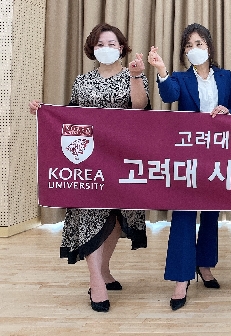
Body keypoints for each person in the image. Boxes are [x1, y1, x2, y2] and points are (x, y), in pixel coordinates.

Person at [29, 23, 148, 313]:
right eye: (100, 44)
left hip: (122, 159)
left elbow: (140, 108)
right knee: (90, 216)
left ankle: (104, 270)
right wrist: (44, 112)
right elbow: (69, 117)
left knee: (118, 216)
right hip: (88, 161)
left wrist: (135, 76)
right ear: (92, 49)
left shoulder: (134, 75)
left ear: (122, 47)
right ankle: (96, 283)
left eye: (111, 43)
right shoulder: (82, 81)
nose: (105, 48)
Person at [147, 23, 231, 311]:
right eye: (189, 45)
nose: (194, 49)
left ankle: (204, 265)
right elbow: (168, 96)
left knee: (211, 213)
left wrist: (227, 111)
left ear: (209, 47)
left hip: (217, 154)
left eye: (199, 43)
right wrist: (162, 70)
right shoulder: (179, 78)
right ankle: (181, 279)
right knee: (184, 213)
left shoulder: (225, 76)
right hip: (187, 154)